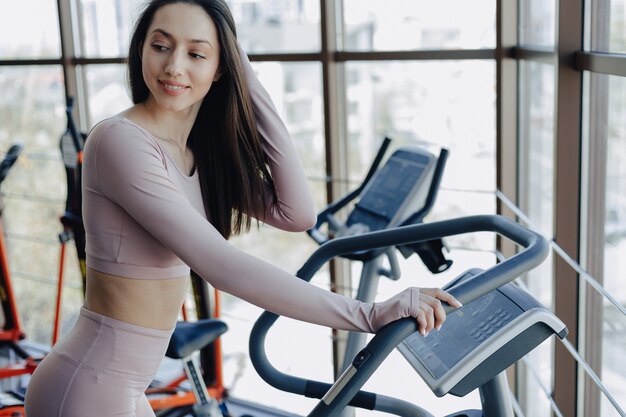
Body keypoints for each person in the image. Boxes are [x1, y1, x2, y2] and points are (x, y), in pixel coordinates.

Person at [24, 1, 462, 416]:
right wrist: (367, 314)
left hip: (123, 386)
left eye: (197, 54)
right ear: (141, 50)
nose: (174, 65)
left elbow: (297, 213)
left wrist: (247, 80)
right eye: (161, 46)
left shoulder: (199, 153)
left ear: (221, 68)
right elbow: (218, 263)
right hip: (87, 384)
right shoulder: (120, 140)